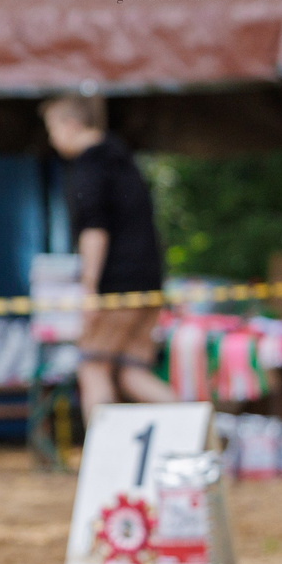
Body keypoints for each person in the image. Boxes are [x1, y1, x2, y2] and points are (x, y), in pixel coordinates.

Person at [42, 94, 176, 419]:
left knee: (93, 367)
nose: (51, 139)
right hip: (148, 282)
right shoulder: (123, 159)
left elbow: (94, 230)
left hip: (117, 285)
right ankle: (201, 431)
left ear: (71, 125)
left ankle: (102, 462)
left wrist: (89, 287)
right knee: (133, 373)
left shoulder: (90, 165)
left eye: (52, 129)